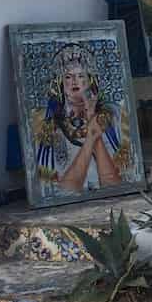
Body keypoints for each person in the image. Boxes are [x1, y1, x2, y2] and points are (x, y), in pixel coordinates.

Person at [35, 44, 125, 194]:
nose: (75, 81)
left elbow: (113, 185)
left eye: (81, 75)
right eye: (68, 77)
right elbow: (64, 190)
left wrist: (92, 122)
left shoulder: (111, 115)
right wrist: (90, 138)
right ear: (60, 83)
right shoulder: (49, 123)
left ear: (90, 80)